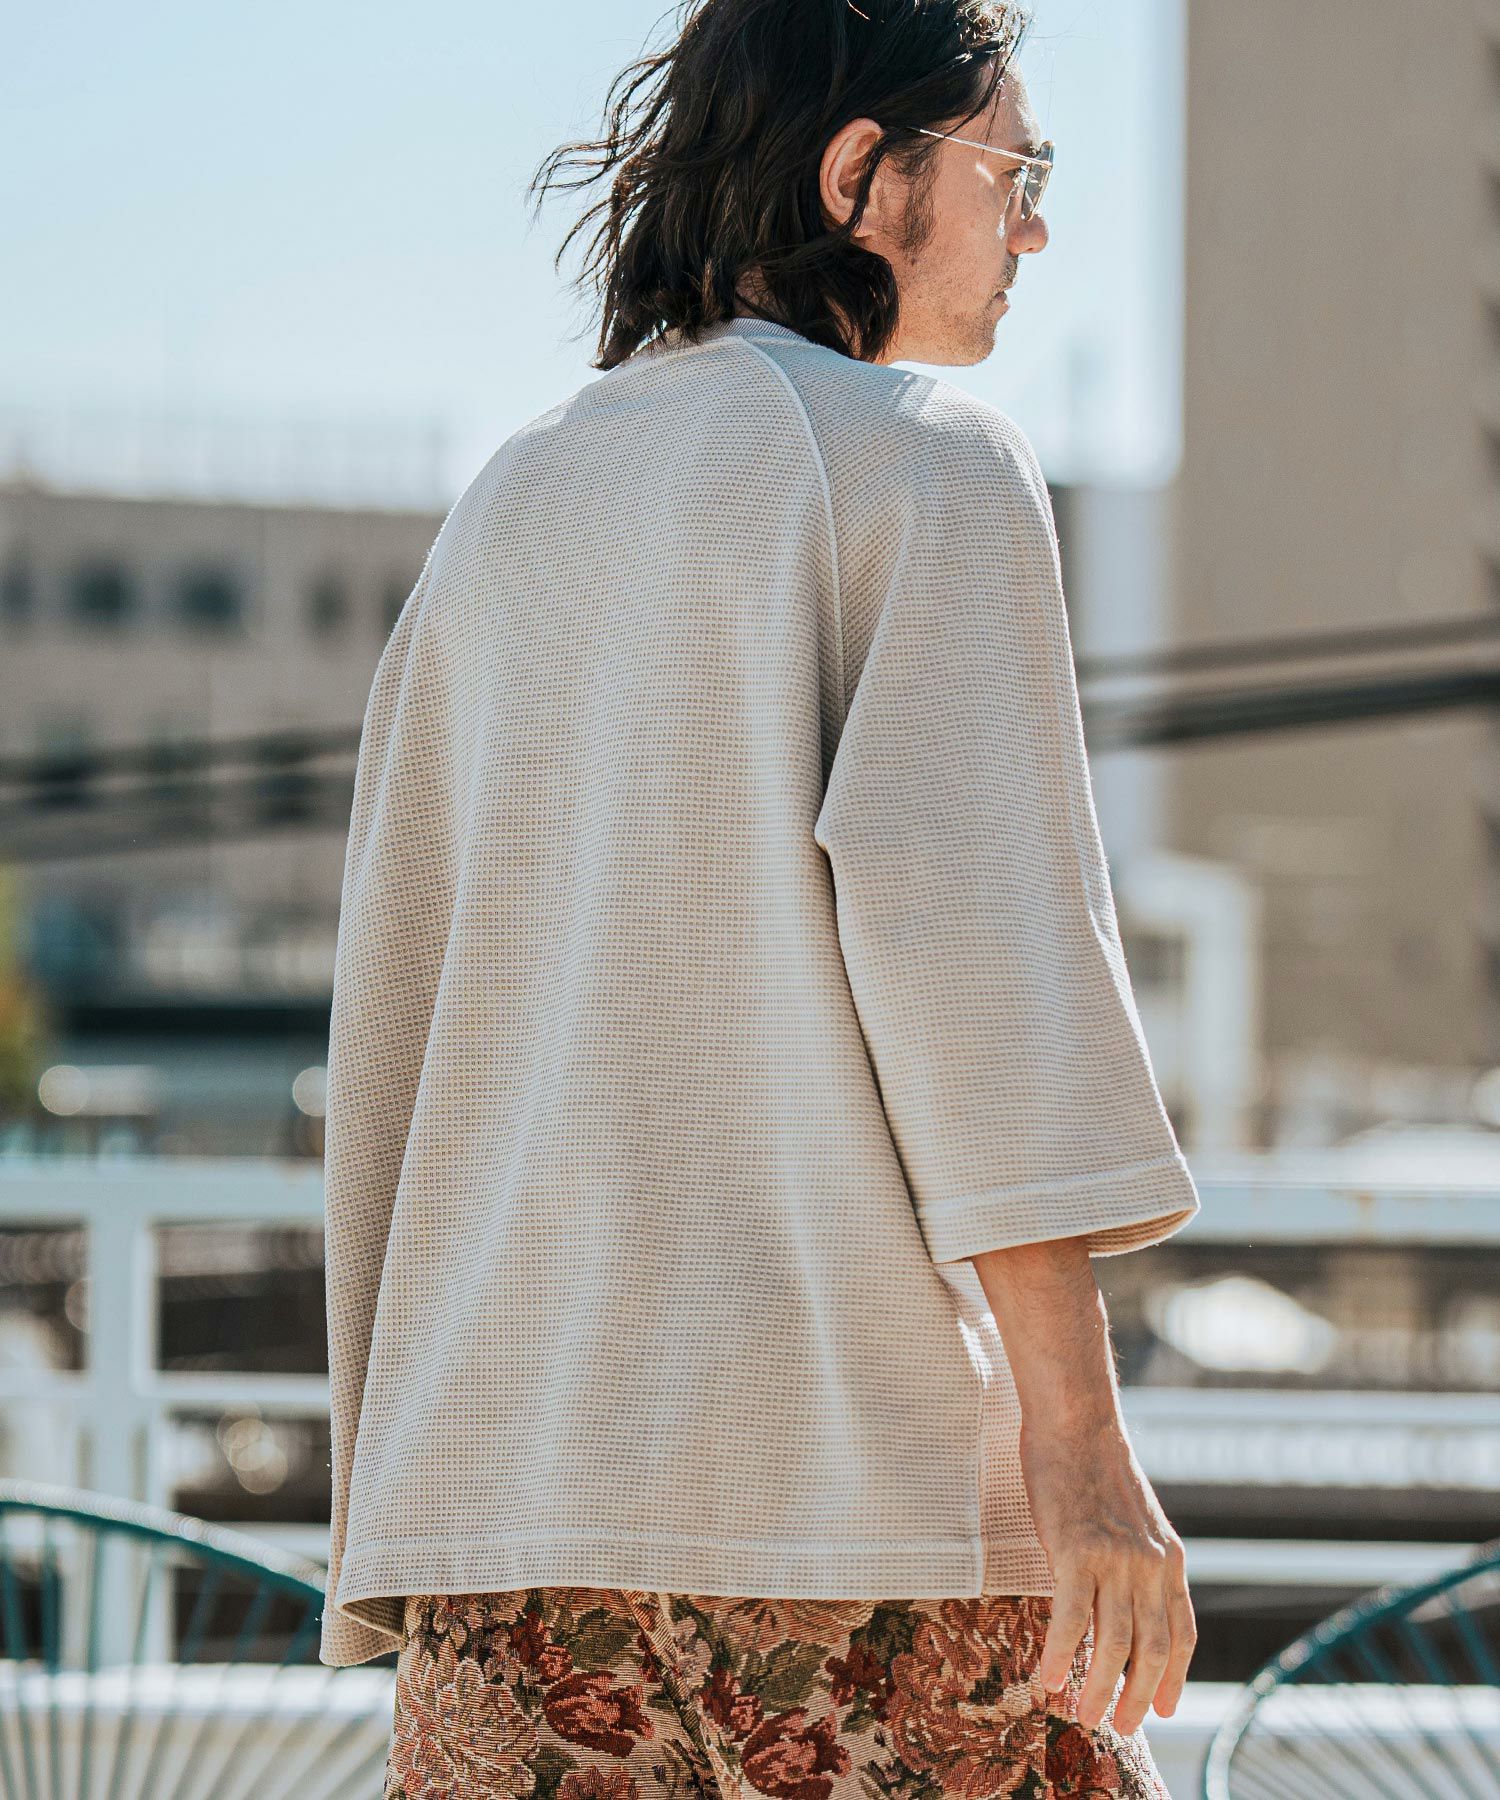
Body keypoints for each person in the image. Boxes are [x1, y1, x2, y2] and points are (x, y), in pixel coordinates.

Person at [318, 2, 1203, 1794]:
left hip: (500, 1523)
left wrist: (387, 1509)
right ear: (861, 175)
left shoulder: (509, 499)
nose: (1037, 226)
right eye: (1015, 168)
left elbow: (392, 1018)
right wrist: (1083, 1447)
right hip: (842, 1510)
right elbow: (982, 964)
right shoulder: (930, 458)